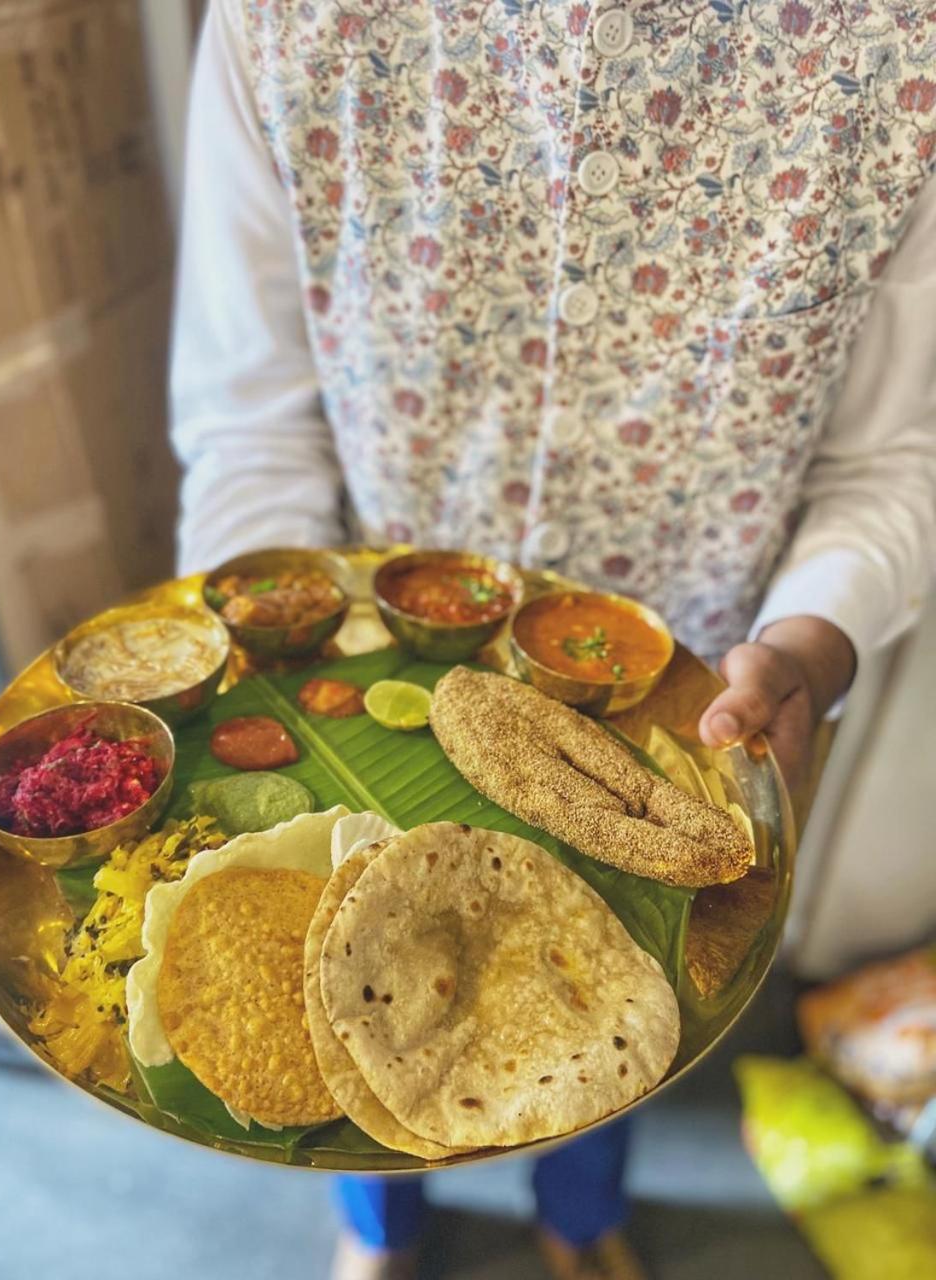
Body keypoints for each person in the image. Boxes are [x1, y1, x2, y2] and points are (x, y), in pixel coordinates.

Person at [170, 2, 936, 1276]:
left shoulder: (896, 41)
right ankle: (381, 1227)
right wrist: (273, 665)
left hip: (690, 706)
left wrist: (816, 639)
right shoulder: (287, 19)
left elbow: (887, 458)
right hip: (359, 698)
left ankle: (581, 1220)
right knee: (344, 1006)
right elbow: (251, 414)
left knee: (607, 1001)